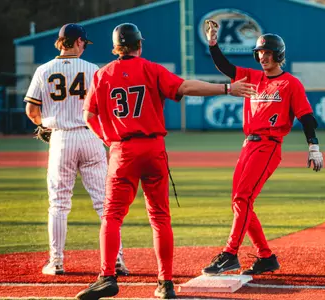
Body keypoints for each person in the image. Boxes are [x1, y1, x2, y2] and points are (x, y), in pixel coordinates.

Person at [75, 23, 256, 300]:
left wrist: (109, 140)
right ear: (139, 45)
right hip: (153, 148)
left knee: (112, 216)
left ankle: (107, 276)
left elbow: (89, 116)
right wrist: (226, 88)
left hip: (122, 150)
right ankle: (165, 283)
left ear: (116, 47)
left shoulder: (102, 75)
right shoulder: (150, 68)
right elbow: (185, 87)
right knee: (159, 218)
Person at [200, 20, 324, 276]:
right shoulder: (251, 76)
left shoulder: (290, 83)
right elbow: (225, 67)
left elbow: (307, 117)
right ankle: (266, 257)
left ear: (278, 55)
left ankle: (230, 253)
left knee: (243, 198)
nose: (263, 57)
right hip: (247, 145)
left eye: (268, 53)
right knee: (240, 201)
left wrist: (313, 146)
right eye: (260, 53)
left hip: (269, 146)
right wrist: (213, 43)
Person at [24, 23, 129, 276]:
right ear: (79, 41)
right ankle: (116, 261)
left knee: (59, 204)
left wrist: (43, 126)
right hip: (90, 136)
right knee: (105, 204)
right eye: (84, 42)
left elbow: (31, 111)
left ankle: (56, 261)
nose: (84, 46)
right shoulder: (93, 70)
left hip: (61, 138)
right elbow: (105, 109)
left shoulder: (44, 70)